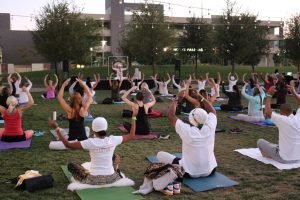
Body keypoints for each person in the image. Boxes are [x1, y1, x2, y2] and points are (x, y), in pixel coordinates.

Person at [48, 107, 137, 185]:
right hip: (113, 179)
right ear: (106, 127)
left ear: (93, 129)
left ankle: (86, 174)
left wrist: (57, 129)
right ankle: (114, 170)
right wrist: (134, 116)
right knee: (116, 156)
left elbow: (68, 145)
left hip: (93, 180)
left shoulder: (90, 142)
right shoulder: (113, 140)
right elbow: (132, 135)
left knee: (71, 166)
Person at [157, 90, 217, 178]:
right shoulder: (210, 127)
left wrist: (177, 99)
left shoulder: (187, 130)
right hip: (210, 170)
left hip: (189, 172)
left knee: (160, 154)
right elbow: (213, 112)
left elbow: (171, 116)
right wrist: (200, 97)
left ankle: (177, 167)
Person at [257, 82, 300, 164]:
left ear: (281, 112)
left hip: (284, 159)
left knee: (260, 141)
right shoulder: (298, 117)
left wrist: (269, 95)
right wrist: (293, 92)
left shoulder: (283, 120)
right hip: (298, 158)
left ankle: (268, 155)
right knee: (276, 145)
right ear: (291, 111)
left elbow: (267, 112)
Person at [50, 78, 91, 149]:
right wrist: (83, 85)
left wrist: (63, 85)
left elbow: (59, 98)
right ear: (80, 99)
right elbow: (89, 96)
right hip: (83, 140)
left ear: (71, 100)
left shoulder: (69, 110)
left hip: (72, 141)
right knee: (87, 128)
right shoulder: (83, 109)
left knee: (51, 145)